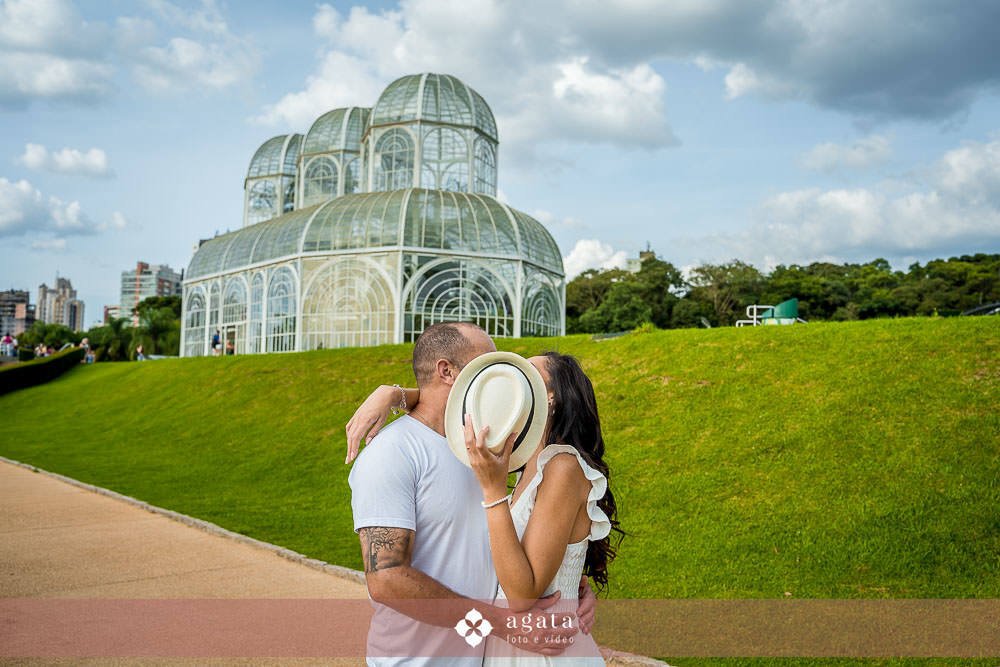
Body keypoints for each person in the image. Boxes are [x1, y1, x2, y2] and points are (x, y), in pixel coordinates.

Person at [349, 349, 622, 665]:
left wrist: (494, 492)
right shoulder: (521, 466)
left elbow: (522, 595)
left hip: (543, 649)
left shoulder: (562, 466)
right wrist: (393, 395)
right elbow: (457, 406)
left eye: (527, 374)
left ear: (551, 397)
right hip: (506, 644)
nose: (514, 381)